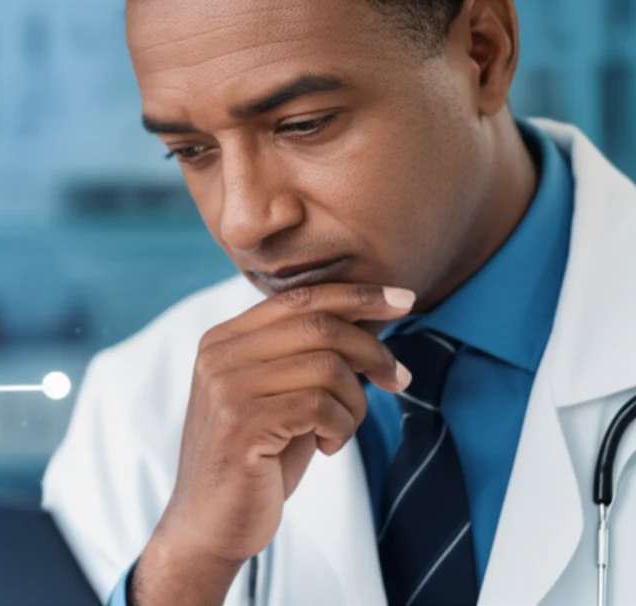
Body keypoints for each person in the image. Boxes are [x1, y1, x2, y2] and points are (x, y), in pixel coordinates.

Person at [42, 0, 636, 604]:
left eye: (304, 124)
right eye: (192, 151)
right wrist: (184, 572)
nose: (243, 222)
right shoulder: (137, 407)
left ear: (484, 54)